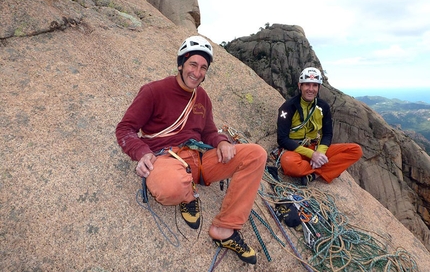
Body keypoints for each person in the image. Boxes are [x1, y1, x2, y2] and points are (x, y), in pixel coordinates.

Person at [116, 35, 266, 265]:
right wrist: (141, 152)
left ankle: (224, 228)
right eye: (193, 65)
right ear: (181, 64)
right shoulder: (153, 91)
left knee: (256, 154)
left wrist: (223, 141)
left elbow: (209, 133)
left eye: (203, 68)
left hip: (200, 160)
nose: (197, 73)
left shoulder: (202, 98)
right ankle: (187, 192)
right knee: (168, 188)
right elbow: (125, 129)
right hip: (166, 158)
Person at [276, 67, 362, 185]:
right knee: (289, 163)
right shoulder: (288, 107)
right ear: (299, 86)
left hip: (314, 146)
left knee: (355, 150)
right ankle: (327, 170)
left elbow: (327, 134)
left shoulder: (323, 106)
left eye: (315, 85)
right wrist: (312, 155)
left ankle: (314, 174)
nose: (311, 89)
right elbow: (282, 139)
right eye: (307, 85)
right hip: (295, 148)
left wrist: (320, 153)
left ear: (319, 87)